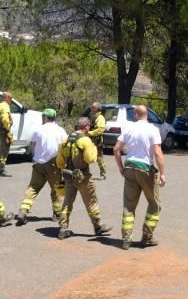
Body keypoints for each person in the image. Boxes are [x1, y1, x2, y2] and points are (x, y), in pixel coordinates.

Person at [113, 105, 166, 250]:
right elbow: (157, 153)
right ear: (147, 114)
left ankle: (126, 240)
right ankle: (147, 237)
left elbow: (116, 149)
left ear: (136, 114)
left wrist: (121, 168)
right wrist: (162, 173)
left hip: (130, 167)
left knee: (129, 205)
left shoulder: (129, 128)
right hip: (145, 169)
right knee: (155, 204)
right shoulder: (153, 130)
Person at [56, 117, 112, 240]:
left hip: (68, 175)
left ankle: (63, 228)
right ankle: (97, 226)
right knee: (91, 201)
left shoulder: (65, 139)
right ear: (86, 127)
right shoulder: (85, 141)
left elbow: (59, 162)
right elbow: (90, 159)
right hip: (83, 177)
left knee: (67, 202)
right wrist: (94, 148)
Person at [15, 108, 67, 225]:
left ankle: (23, 211)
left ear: (45, 117)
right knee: (57, 188)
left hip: (38, 164)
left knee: (33, 187)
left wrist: (35, 158)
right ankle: (57, 213)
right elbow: (64, 148)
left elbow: (32, 146)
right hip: (54, 163)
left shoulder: (38, 130)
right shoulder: (60, 131)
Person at [0, 91, 14, 177]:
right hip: (3, 131)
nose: (11, 100)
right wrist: (8, 128)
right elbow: (5, 119)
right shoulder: (5, 107)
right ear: (6, 98)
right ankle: (1, 170)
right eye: (10, 98)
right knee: (4, 150)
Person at [87, 102, 107, 180]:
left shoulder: (100, 118)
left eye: (92, 106)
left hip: (97, 140)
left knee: (99, 157)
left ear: (96, 108)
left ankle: (103, 174)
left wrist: (89, 133)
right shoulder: (94, 116)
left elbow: (100, 129)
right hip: (91, 140)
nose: (91, 108)